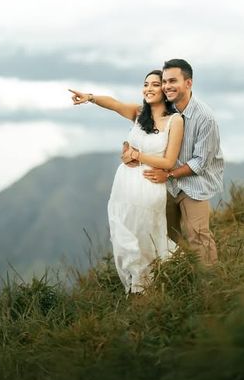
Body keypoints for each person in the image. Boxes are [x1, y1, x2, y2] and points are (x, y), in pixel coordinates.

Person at [69, 70, 184, 294]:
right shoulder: (139, 113)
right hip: (124, 185)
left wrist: (137, 156)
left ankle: (145, 290)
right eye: (145, 84)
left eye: (155, 84)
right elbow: (113, 103)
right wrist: (90, 97)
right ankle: (137, 288)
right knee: (122, 238)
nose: (148, 88)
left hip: (149, 185)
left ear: (165, 89)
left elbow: (169, 161)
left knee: (144, 239)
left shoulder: (175, 120)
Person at [125, 59, 223, 265]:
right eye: (165, 81)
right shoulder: (160, 111)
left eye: (173, 81)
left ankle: (212, 289)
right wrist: (128, 152)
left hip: (195, 184)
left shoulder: (205, 118)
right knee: (165, 235)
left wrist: (169, 173)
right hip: (165, 185)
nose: (167, 86)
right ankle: (183, 278)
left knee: (198, 235)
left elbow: (200, 163)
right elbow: (142, 136)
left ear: (188, 83)